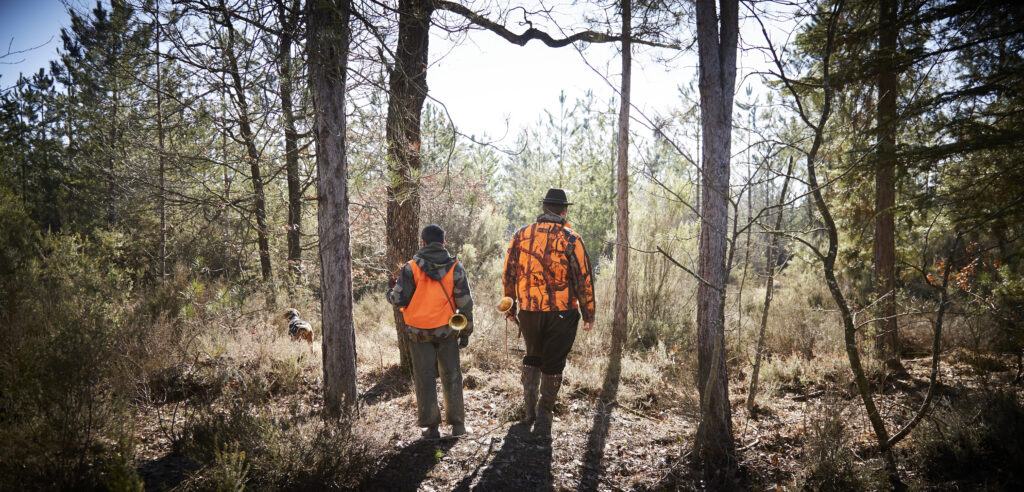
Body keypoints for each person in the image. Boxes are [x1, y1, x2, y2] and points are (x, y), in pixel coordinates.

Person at [502, 188, 596, 438]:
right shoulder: (572, 239)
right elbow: (583, 279)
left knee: (532, 356)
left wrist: (511, 308)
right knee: (553, 363)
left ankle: (528, 413)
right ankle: (544, 418)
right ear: (564, 211)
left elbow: (509, 273)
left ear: (544, 209)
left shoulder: (520, 235)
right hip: (562, 312)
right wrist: (589, 314)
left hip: (529, 310)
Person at [387, 224, 474, 439]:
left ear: (423, 242)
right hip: (447, 331)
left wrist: (390, 291)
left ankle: (431, 428)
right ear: (443, 244)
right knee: (452, 375)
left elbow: (398, 299)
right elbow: (465, 304)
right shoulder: (456, 268)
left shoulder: (410, 268)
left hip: (418, 332)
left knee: (424, 377)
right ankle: (458, 427)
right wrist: (466, 332)